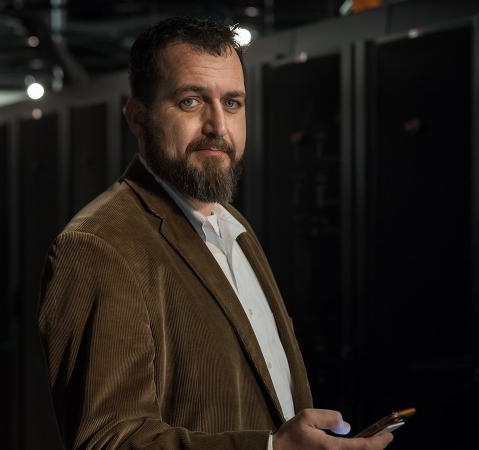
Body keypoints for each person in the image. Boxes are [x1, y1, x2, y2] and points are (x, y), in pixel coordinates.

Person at [38, 16, 394, 450]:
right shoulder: (98, 246)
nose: (217, 126)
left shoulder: (234, 225)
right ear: (137, 117)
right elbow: (108, 440)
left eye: (232, 103)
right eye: (191, 101)